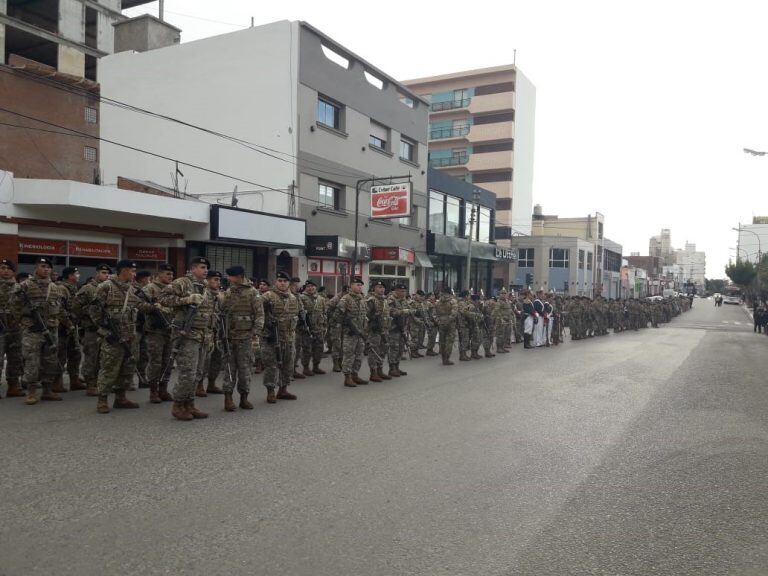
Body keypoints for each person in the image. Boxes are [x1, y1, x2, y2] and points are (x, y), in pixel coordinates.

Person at [89, 260, 155, 414]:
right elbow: (94, 311)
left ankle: (121, 397)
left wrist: (156, 307)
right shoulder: (106, 287)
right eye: (132, 271)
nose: (134, 274)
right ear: (124, 271)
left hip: (130, 336)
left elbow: (140, 306)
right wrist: (104, 332)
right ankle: (102, 400)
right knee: (109, 368)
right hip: (113, 337)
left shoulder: (133, 289)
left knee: (128, 368)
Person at [160, 256, 215, 421]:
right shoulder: (182, 283)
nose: (205, 271)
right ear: (193, 268)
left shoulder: (204, 286)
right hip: (187, 334)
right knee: (187, 372)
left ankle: (189, 404)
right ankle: (178, 405)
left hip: (202, 334)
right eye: (202, 267)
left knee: (198, 372)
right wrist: (186, 299)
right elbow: (163, 298)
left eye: (206, 268)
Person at [12, 257, 66, 405]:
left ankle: (47, 390)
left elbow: (59, 309)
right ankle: (31, 392)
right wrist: (24, 322)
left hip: (51, 330)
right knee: (32, 361)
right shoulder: (25, 286)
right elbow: (14, 307)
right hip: (32, 331)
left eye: (48, 267)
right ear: (36, 268)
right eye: (43, 266)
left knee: (50, 361)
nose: (46, 269)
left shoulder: (55, 287)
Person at [219, 265, 264, 412]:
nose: (229, 279)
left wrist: (255, 332)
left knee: (245, 369)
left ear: (239, 276)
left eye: (231, 276)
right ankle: (228, 397)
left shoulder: (253, 293)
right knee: (229, 368)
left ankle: (244, 397)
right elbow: (221, 313)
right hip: (229, 337)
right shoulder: (227, 292)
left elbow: (259, 314)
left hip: (245, 337)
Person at [71, 264, 111, 396]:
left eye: (108, 273)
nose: (106, 275)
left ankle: (101, 382)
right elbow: (76, 307)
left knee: (104, 357)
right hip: (92, 329)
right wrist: (89, 314)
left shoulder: (110, 288)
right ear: (97, 274)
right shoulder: (88, 289)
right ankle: (90, 383)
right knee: (91, 357)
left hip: (106, 329)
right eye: (103, 272)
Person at [261, 271, 300, 403]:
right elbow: (258, 312)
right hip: (272, 338)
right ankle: (270, 391)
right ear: (276, 282)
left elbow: (296, 317)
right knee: (271, 365)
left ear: (289, 283)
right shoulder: (268, 296)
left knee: (288, 364)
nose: (282, 283)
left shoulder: (293, 298)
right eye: (280, 281)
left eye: (285, 281)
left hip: (289, 337)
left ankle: (283, 389)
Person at [142, 263, 175, 404]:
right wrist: (152, 308)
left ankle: (163, 388)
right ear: (159, 274)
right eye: (167, 274)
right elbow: (139, 305)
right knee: (155, 361)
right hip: (155, 331)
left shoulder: (172, 289)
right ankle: (153, 391)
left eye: (172, 274)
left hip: (170, 330)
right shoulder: (149, 288)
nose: (170, 277)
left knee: (168, 362)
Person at [54, 266, 84, 393]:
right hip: (63, 328)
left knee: (75, 354)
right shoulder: (62, 288)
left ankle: (74, 380)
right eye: (76, 273)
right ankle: (56, 383)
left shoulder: (74, 288)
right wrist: (69, 324)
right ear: (70, 276)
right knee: (61, 356)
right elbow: (60, 310)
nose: (78, 276)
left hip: (72, 327)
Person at [195, 271, 223, 397]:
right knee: (204, 360)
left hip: (216, 331)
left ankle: (211, 383)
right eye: (215, 279)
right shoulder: (202, 293)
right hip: (204, 331)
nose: (218, 282)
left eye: (218, 280)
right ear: (208, 280)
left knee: (217, 358)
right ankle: (199, 385)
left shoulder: (219, 296)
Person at [336, 277, 368, 387]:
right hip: (350, 333)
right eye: (357, 285)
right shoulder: (345, 299)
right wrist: (347, 326)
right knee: (349, 355)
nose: (359, 287)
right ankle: (347, 377)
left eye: (360, 285)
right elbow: (338, 316)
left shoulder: (362, 299)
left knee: (359, 355)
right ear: (351, 286)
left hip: (360, 333)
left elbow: (364, 316)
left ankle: (355, 374)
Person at [0, 259, 24, 398]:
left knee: (16, 357)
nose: (5, 270)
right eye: (2, 268)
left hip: (15, 327)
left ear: (13, 271)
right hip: (0, 328)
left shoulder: (19, 288)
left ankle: (13, 386)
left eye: (8, 268)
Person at [299, 280, 327, 376]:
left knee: (319, 348)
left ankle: (316, 366)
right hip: (307, 329)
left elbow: (324, 312)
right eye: (308, 286)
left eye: (312, 286)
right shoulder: (301, 298)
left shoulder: (321, 299)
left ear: (315, 287)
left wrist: (324, 324)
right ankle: (306, 368)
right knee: (307, 349)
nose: (311, 288)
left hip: (319, 327)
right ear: (305, 288)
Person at [366, 280, 391, 382]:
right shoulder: (371, 300)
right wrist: (373, 320)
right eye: (379, 287)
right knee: (374, 351)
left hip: (385, 329)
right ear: (374, 289)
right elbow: (366, 315)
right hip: (374, 330)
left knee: (382, 350)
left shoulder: (385, 300)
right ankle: (373, 372)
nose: (381, 289)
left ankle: (380, 370)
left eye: (383, 287)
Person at [386, 283, 411, 377]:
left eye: (404, 291)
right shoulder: (391, 300)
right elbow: (391, 312)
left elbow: (408, 310)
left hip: (402, 328)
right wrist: (402, 312)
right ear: (396, 291)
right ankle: (391, 368)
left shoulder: (404, 300)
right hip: (393, 328)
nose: (403, 293)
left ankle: (397, 367)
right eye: (401, 291)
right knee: (394, 348)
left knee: (400, 349)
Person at [435, 289, 458, 365]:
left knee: (442, 341)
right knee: (449, 342)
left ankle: (443, 358)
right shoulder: (453, 301)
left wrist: (438, 321)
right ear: (449, 293)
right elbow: (454, 314)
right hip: (450, 324)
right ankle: (447, 359)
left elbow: (434, 314)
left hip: (441, 323)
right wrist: (448, 320)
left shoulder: (438, 302)